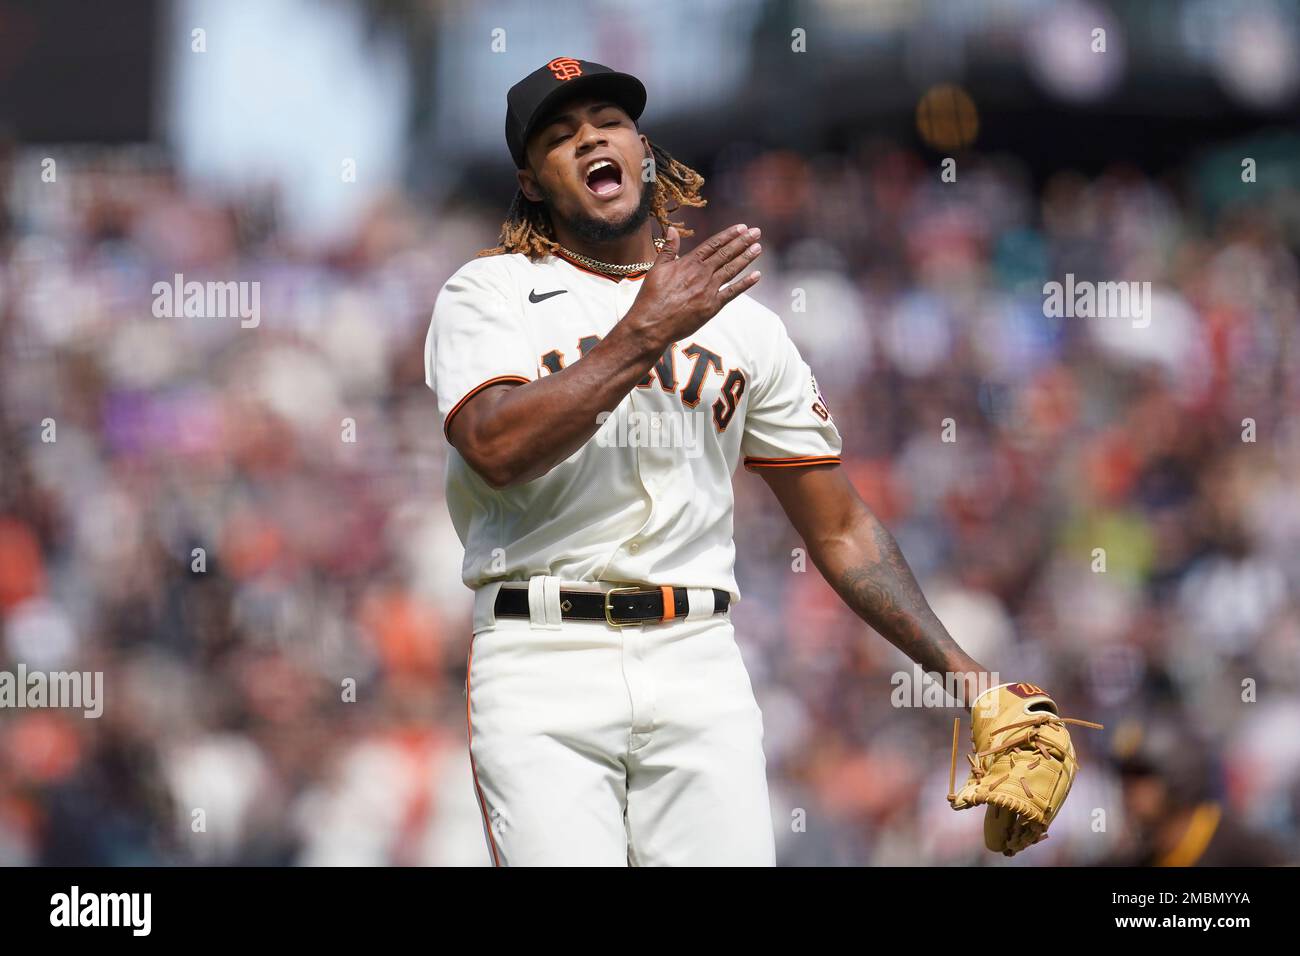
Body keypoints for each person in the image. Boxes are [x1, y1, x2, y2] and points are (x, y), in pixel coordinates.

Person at [425, 57, 1017, 865]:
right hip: (541, 656)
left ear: (642, 149)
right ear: (531, 182)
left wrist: (965, 674)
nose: (590, 138)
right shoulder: (487, 293)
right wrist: (647, 329)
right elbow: (494, 446)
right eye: (559, 137)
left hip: (696, 657)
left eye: (608, 122)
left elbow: (839, 527)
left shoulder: (746, 327)